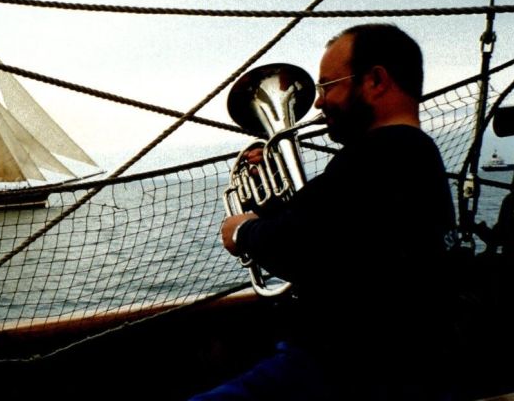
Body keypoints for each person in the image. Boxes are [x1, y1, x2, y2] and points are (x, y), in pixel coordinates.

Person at [189, 23, 458, 400]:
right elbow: (342, 237)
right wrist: (271, 208)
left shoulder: (381, 156)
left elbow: (302, 246)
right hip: (379, 365)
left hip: (341, 370)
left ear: (376, 81)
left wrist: (241, 231)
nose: (317, 102)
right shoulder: (409, 155)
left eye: (329, 86)